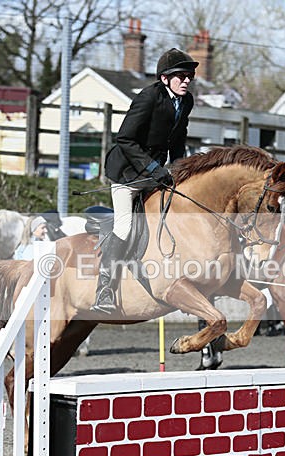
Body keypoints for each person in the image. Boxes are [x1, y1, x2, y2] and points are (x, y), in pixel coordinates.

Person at [91, 48, 198, 314]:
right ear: (165, 78)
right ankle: (104, 289)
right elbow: (125, 139)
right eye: (181, 76)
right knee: (125, 227)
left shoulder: (186, 101)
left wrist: (180, 170)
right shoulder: (148, 97)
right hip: (127, 173)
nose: (186, 80)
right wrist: (152, 167)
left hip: (155, 175)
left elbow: (178, 139)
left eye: (189, 76)